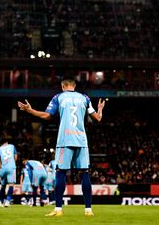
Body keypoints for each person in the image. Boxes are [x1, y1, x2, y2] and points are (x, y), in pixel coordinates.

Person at [18, 77, 105, 217]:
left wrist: (30, 110)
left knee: (61, 173)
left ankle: (58, 209)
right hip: (82, 141)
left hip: (65, 140)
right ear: (74, 86)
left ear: (63, 86)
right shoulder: (85, 98)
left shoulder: (59, 97)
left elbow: (47, 115)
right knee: (85, 173)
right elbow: (98, 118)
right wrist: (100, 109)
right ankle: (88, 210)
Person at [0, 139, 17, 207]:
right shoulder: (12, 146)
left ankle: (2, 202)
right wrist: (12, 163)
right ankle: (8, 200)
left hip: (3, 168)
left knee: (3, 185)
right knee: (11, 184)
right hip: (11, 167)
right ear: (7, 142)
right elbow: (15, 157)